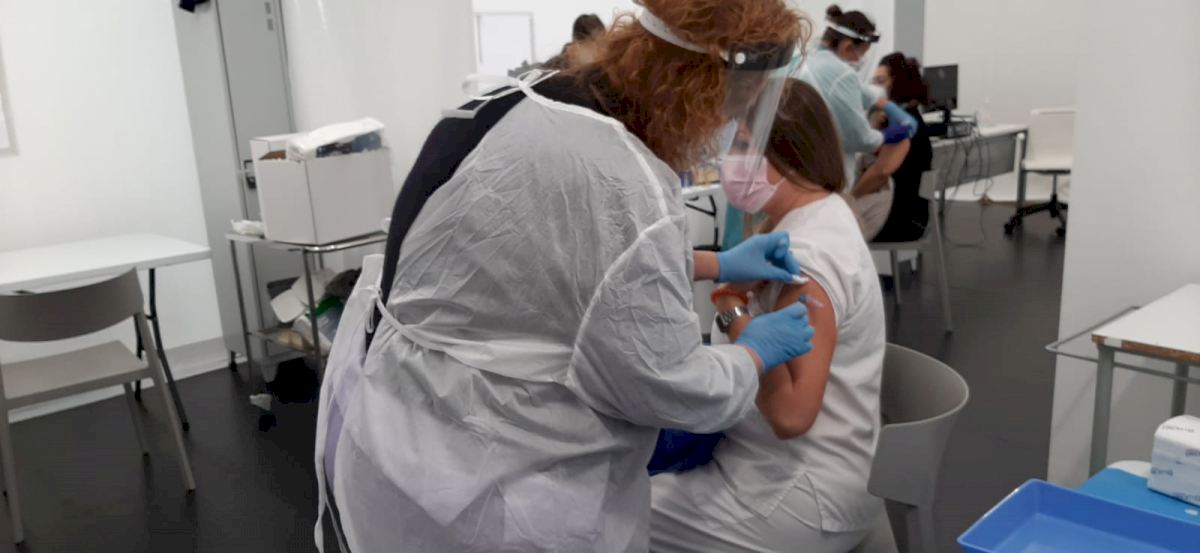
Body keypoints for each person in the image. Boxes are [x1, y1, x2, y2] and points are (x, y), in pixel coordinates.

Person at [313, 1, 815, 551]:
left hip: (400, 430)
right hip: (484, 483)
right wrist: (753, 353)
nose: (726, 129)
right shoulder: (618, 173)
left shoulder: (529, 101)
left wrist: (717, 264)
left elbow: (551, 265)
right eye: (732, 110)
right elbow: (669, 387)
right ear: (698, 88)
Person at [650, 80, 886, 553]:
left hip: (797, 492)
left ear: (789, 152)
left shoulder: (808, 256)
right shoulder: (817, 216)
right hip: (776, 466)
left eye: (742, 146)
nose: (730, 162)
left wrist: (730, 308)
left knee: (607, 511)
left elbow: (791, 413)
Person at [796, 5, 916, 238]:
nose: (860, 61)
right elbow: (863, 140)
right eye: (860, 53)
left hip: (799, 172)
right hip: (825, 178)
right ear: (847, 47)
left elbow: (862, 91)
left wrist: (882, 103)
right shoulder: (841, 74)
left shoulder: (808, 61)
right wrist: (887, 134)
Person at [870, 52, 934, 242]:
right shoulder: (911, 117)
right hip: (914, 217)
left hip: (900, 222)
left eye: (880, 81)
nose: (875, 89)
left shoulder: (902, 128)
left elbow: (879, 173)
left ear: (897, 83)